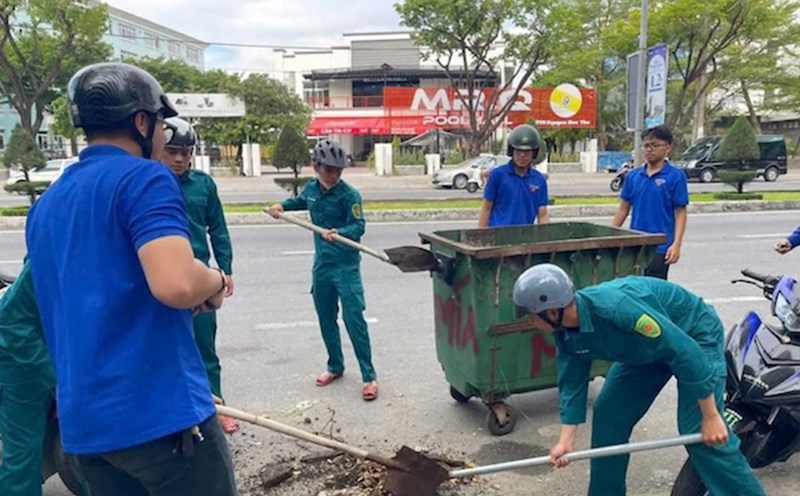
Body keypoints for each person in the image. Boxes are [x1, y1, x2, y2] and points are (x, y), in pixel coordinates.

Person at [25, 62, 238, 496]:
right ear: (142, 121)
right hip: (158, 419)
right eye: (160, 124)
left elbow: (99, 292)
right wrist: (214, 281)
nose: (163, 139)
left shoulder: (47, 204)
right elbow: (177, 283)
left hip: (86, 432)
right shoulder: (145, 178)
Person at [512, 264, 766, 496]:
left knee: (699, 432)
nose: (530, 322)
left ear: (552, 311)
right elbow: (572, 384)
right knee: (609, 414)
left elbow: (685, 353)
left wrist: (711, 416)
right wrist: (565, 442)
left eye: (531, 315)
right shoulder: (566, 333)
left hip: (692, 334)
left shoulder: (615, 309)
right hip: (646, 350)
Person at [267, 139, 379, 402]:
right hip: (322, 266)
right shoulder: (312, 189)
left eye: (338, 170)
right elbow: (301, 201)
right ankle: (335, 366)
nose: (334, 174)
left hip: (346, 266)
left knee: (354, 320)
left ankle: (369, 376)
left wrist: (339, 233)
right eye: (329, 169)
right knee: (326, 318)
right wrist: (281, 207)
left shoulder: (350, 195)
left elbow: (359, 226)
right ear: (315, 166)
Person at [161, 117, 239, 434]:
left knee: (204, 346)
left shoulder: (203, 185)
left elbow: (217, 228)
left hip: (200, 280)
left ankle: (217, 410)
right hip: (163, 280)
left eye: (185, 151)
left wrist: (226, 268)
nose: (179, 158)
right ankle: (177, 415)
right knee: (167, 349)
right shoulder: (149, 184)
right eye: (172, 151)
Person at [0, 261, 57, 496]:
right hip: (19, 350)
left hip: (51, 346)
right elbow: (11, 321)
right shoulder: (57, 246)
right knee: (24, 449)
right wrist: (60, 383)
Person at [612, 126, 688, 279]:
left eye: (655, 145)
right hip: (635, 246)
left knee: (654, 292)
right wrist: (610, 235)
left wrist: (677, 245)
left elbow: (680, 212)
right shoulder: (633, 176)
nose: (649, 150)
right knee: (633, 290)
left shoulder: (675, 176)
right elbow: (623, 209)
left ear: (668, 148)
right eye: (646, 146)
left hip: (660, 248)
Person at [478, 124, 550, 228]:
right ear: (512, 151)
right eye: (518, 151)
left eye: (526, 152)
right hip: (498, 236)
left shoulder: (539, 180)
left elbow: (542, 214)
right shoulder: (498, 175)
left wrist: (547, 237)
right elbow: (486, 208)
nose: (522, 155)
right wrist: (480, 234)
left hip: (525, 236)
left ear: (534, 153)